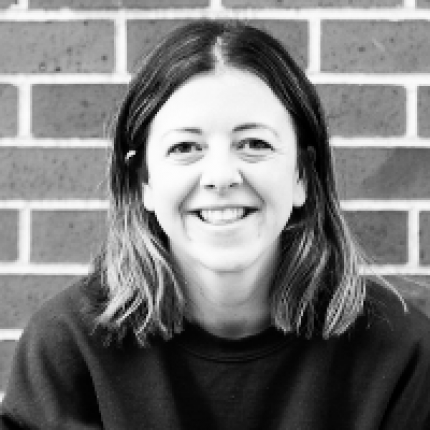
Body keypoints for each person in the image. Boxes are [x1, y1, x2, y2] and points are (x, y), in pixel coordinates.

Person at [1, 19, 430, 430]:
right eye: (186, 147)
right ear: (143, 181)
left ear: (302, 175)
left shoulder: (401, 353)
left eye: (254, 143)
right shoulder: (70, 349)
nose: (221, 176)